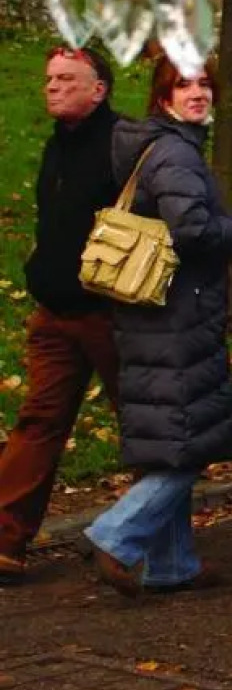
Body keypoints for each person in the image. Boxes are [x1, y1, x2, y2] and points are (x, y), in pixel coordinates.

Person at [85, 53, 232, 597]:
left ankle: (173, 566)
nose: (197, 93)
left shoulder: (160, 146)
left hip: (155, 313)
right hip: (176, 316)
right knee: (194, 441)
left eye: (204, 84)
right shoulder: (175, 153)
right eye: (183, 85)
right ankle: (116, 534)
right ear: (163, 97)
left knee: (174, 439)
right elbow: (192, 231)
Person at [0, 47, 123, 584]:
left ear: (98, 89)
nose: (52, 87)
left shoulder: (123, 144)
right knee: (38, 422)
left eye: (67, 79)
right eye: (49, 78)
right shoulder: (57, 145)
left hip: (109, 315)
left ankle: (154, 538)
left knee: (144, 427)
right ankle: (4, 540)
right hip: (54, 313)